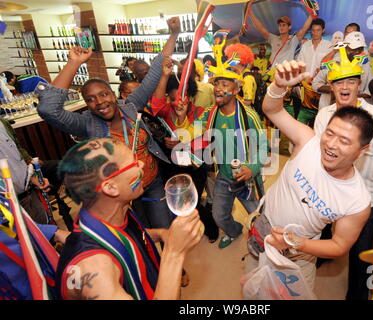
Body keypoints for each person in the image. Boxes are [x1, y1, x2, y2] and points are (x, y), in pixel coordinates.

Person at [37, 17, 182, 230]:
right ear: (86, 104)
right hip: (121, 191)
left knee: (163, 227)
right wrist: (74, 63)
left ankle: (171, 260)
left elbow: (153, 74)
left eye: (103, 94)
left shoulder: (130, 106)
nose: (99, 102)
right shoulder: (86, 124)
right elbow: (48, 109)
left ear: (113, 96)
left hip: (153, 182)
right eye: (91, 99)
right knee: (141, 232)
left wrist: (174, 34)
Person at [245, 60, 373, 290]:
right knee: (254, 291)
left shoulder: (358, 200)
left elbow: (339, 245)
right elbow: (272, 110)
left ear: (363, 149)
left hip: (299, 255)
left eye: (344, 141)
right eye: (330, 134)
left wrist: (295, 242)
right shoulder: (308, 141)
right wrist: (278, 86)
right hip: (262, 229)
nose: (331, 145)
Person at [314, 46, 373, 300]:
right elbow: (315, 155)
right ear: (331, 88)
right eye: (338, 83)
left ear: (359, 85)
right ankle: (321, 258)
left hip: (363, 202)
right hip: (327, 194)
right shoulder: (323, 116)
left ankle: (357, 295)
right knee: (322, 234)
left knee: (360, 254)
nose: (344, 87)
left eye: (351, 82)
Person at [55, 137, 202, 299]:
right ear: (111, 188)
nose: (142, 164)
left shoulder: (111, 211)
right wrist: (174, 253)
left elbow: (128, 238)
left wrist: (161, 234)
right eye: (133, 163)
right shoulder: (95, 271)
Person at [176, 35, 268, 249]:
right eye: (216, 83)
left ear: (236, 89)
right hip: (224, 178)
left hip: (247, 180)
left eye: (224, 84)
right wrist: (181, 117)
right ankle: (235, 232)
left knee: (262, 217)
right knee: (219, 217)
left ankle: (265, 244)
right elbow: (190, 133)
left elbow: (264, 147)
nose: (218, 88)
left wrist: (251, 168)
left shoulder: (249, 116)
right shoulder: (210, 114)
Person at [149, 59, 219, 243]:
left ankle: (211, 229)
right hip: (172, 165)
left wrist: (182, 143)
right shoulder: (166, 111)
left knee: (193, 201)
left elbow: (204, 143)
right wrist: (164, 76)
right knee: (178, 200)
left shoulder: (200, 113)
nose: (178, 103)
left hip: (195, 166)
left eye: (182, 98)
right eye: (172, 99)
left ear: (190, 95)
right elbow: (155, 104)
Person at [0, 116, 54, 225]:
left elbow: (16, 154)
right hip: (7, 208)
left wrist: (33, 178)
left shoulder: (2, 122)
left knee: (46, 232)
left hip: (29, 193)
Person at [312, 31, 373, 109]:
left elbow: (369, 92)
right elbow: (315, 84)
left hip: (355, 110)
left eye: (360, 48)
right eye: (353, 49)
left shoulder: (365, 65)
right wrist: (332, 89)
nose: (357, 52)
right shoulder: (333, 63)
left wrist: (347, 96)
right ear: (345, 48)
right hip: (328, 108)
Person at [249, 5, 316, 71]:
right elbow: (260, 28)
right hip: (273, 75)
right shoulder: (273, 38)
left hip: (287, 75)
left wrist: (312, 14)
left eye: (284, 25)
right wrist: (249, 12)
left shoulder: (293, 40)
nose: (281, 27)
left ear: (289, 27)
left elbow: (304, 29)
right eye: (280, 25)